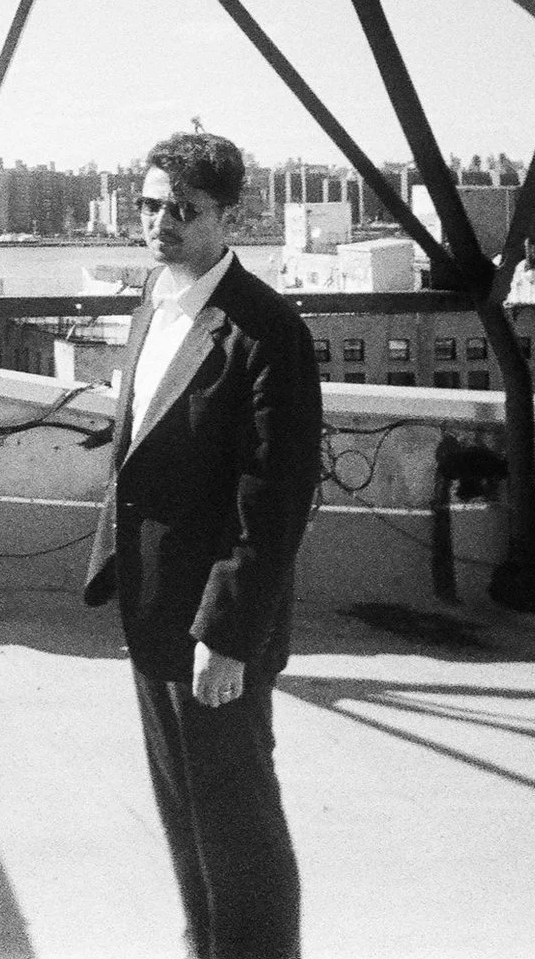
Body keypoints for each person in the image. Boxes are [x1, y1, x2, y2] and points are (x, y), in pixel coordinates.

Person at [84, 131, 322, 959]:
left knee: (239, 830)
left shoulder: (266, 331)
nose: (160, 222)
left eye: (183, 209)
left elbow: (275, 498)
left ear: (230, 217)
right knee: (186, 823)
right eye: (150, 204)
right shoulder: (155, 304)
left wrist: (227, 633)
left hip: (215, 629)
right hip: (153, 615)